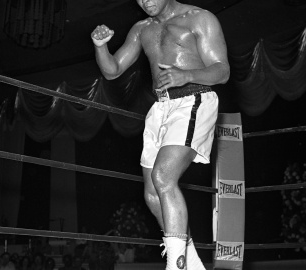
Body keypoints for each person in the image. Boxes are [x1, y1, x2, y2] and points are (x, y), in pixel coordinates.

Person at [91, 0, 229, 269]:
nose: (146, 1)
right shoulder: (142, 28)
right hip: (161, 107)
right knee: (152, 193)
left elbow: (222, 70)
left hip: (194, 98)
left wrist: (186, 75)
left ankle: (176, 265)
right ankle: (191, 262)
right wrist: (100, 47)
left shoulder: (200, 18)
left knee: (163, 176)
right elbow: (112, 70)